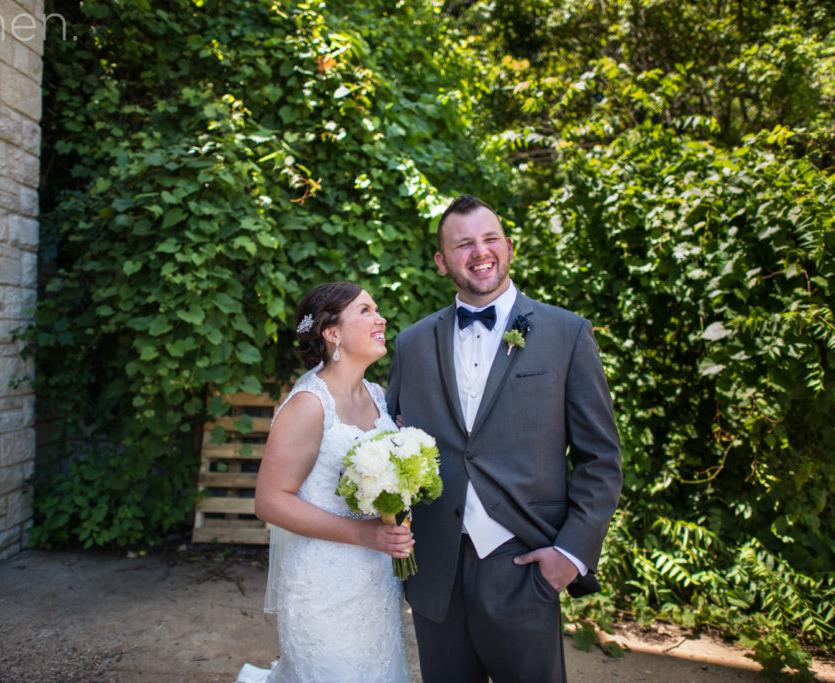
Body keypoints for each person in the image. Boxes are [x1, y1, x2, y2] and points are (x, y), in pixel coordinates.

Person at [386, 195, 622, 682]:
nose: (480, 252)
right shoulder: (411, 344)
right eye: (463, 244)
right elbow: (391, 448)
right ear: (441, 260)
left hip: (524, 565)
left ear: (508, 247)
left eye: (490, 239)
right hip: (437, 574)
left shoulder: (566, 333)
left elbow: (600, 458)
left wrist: (570, 556)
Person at [237, 282, 412, 683]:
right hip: (323, 586)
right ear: (332, 333)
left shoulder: (378, 396)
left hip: (376, 583)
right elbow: (269, 501)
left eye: (377, 309)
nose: (380, 317)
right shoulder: (308, 404)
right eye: (366, 311)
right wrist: (364, 534)